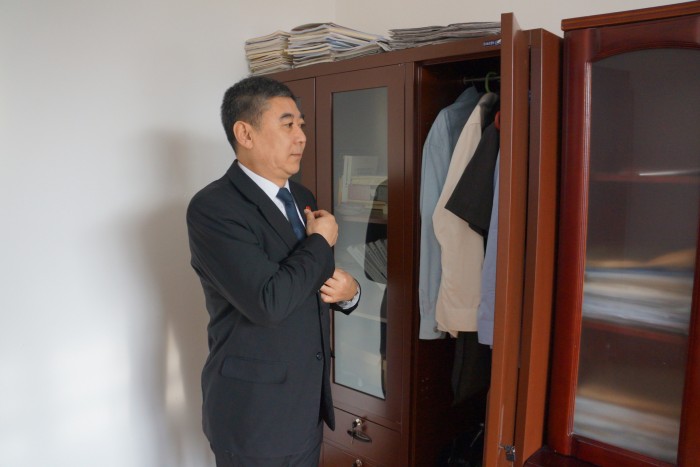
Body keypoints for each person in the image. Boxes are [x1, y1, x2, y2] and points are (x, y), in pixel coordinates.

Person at [186, 76, 360, 467]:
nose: (301, 137)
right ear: (245, 133)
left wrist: (350, 293)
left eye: (301, 125)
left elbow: (312, 279)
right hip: (254, 416)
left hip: (306, 407)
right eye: (287, 125)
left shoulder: (302, 197)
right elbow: (269, 302)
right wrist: (320, 241)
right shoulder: (213, 208)